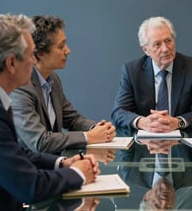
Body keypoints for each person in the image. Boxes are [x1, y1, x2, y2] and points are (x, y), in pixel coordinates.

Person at [0, 14, 99, 210]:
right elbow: (30, 187)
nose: (34, 61)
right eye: (31, 54)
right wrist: (78, 173)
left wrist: (63, 163)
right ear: (11, 63)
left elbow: (17, 152)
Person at [10, 15, 116, 154]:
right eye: (61, 46)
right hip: (30, 169)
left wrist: (98, 128)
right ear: (41, 53)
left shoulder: (52, 78)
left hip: (54, 164)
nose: (68, 50)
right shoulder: (21, 87)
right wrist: (88, 137)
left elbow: (71, 119)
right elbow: (39, 141)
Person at [111, 16, 192, 132]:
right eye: (157, 44)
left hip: (181, 142)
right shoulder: (132, 71)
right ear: (146, 50)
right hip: (143, 145)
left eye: (168, 41)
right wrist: (143, 122)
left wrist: (177, 122)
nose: (165, 49)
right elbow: (119, 112)